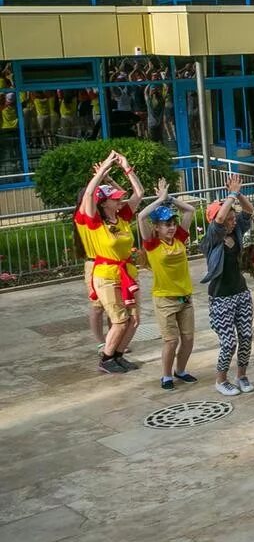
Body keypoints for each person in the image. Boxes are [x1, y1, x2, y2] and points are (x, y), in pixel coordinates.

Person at [76, 150, 143, 374]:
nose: (120, 200)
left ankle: (118, 355)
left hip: (127, 273)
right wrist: (104, 167)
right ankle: (106, 358)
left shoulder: (122, 217)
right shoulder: (95, 223)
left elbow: (139, 193)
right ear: (104, 204)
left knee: (134, 320)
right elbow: (88, 196)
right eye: (115, 199)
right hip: (106, 276)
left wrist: (126, 166)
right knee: (120, 320)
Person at [137, 180, 197, 390]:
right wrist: (159, 200)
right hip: (165, 299)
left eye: (173, 223)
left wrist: (170, 199)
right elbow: (140, 216)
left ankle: (180, 370)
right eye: (166, 224)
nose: (171, 227)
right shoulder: (152, 244)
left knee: (188, 339)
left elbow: (190, 210)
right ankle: (166, 376)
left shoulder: (179, 238)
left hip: (185, 297)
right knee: (171, 341)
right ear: (157, 227)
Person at [202, 175, 254, 395]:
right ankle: (221, 379)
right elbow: (219, 218)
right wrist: (231, 195)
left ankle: (242, 375)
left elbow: (249, 212)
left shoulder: (236, 232)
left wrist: (238, 193)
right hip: (221, 297)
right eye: (229, 219)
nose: (233, 222)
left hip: (241, 293)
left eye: (234, 219)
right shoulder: (212, 239)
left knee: (246, 336)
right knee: (228, 342)